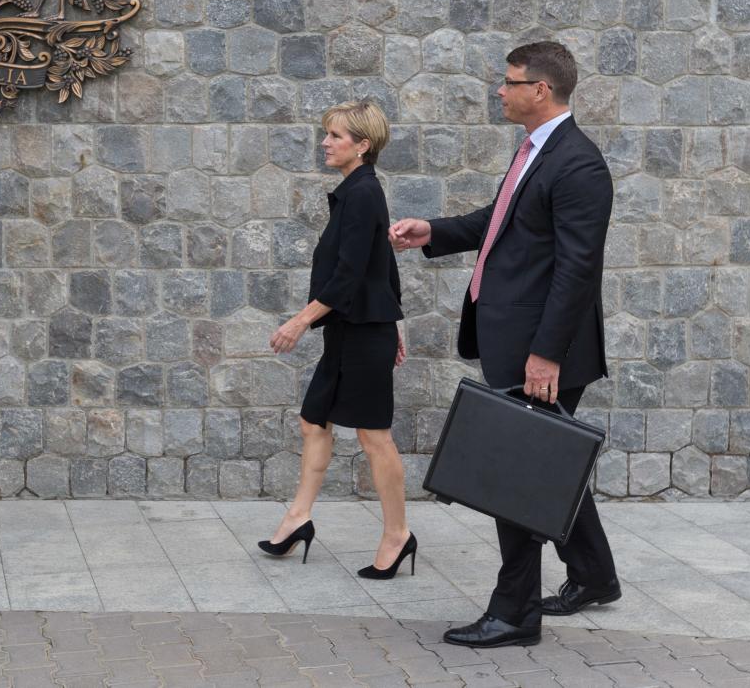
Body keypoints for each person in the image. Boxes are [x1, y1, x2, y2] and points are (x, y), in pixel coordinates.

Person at [389, 41, 620, 647]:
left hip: (539, 349)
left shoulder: (579, 165)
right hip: (519, 339)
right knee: (547, 459)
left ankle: (515, 613)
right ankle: (594, 575)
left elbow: (578, 269)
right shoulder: (536, 151)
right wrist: (432, 231)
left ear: (540, 90)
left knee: (518, 474)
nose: (501, 90)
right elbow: (500, 223)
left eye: (509, 81)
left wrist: (544, 353)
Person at [258, 100, 414, 579]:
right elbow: (381, 264)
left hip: (365, 334)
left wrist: (298, 322)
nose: (325, 143)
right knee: (313, 421)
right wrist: (397, 320)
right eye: (327, 135)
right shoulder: (354, 191)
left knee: (373, 437)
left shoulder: (364, 192)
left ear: (362, 145)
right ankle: (298, 517)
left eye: (336, 136)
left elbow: (348, 275)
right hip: (352, 331)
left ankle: (398, 535)